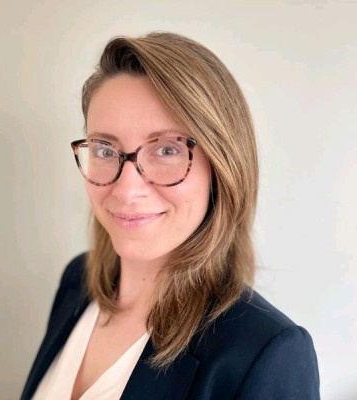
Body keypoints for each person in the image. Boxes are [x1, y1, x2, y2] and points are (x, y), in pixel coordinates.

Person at [21, 32, 320, 400]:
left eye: (166, 149)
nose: (126, 190)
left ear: (223, 167)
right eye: (105, 149)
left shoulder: (266, 354)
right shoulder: (77, 282)